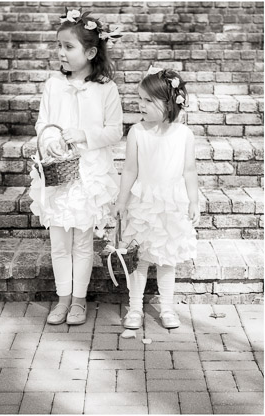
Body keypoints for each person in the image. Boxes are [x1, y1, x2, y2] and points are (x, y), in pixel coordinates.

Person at [27, 9, 123, 326]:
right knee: (59, 241)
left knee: (82, 242)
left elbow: (114, 131)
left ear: (91, 52)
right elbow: (44, 124)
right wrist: (51, 139)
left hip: (89, 174)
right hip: (58, 172)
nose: (61, 53)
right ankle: (62, 298)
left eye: (69, 47)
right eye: (59, 46)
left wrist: (84, 135)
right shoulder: (53, 86)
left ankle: (79, 300)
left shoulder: (106, 88)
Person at [115, 67, 198, 330]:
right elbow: (130, 169)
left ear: (169, 102)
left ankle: (168, 308)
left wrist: (194, 201)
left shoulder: (184, 134)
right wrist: (121, 201)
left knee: (166, 259)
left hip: (172, 204)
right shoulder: (137, 132)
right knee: (140, 258)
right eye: (139, 99)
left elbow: (189, 170)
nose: (141, 105)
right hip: (143, 202)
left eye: (148, 100)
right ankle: (136, 308)